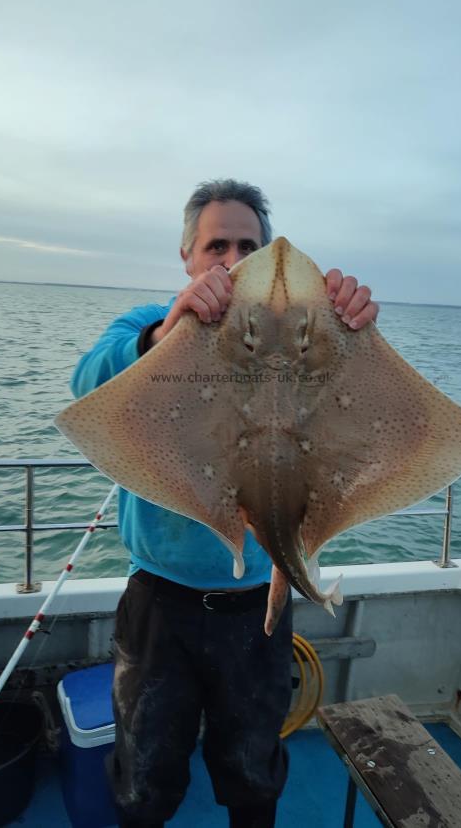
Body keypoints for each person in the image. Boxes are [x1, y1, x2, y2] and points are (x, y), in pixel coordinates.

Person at [70, 179, 379, 828]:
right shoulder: (149, 327)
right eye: (216, 245)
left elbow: (372, 421)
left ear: (268, 260)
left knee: (252, 773)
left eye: (247, 246)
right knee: (145, 777)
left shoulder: (306, 340)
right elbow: (89, 385)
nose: (231, 260)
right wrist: (169, 332)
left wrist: (353, 334)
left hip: (256, 613)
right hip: (160, 605)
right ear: (186, 255)